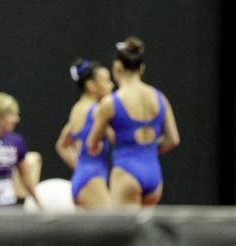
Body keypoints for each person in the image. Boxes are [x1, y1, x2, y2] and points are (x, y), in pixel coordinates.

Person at [87, 37, 180, 207]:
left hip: (126, 171)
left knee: (123, 233)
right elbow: (173, 140)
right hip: (153, 172)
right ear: (142, 68)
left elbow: (92, 144)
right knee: (145, 232)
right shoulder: (160, 98)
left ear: (117, 68)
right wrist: (146, 149)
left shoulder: (110, 103)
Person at [55, 58, 114, 207]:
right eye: (107, 81)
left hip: (83, 175)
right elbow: (118, 139)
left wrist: (81, 166)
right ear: (91, 85)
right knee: (110, 226)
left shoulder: (76, 110)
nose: (111, 86)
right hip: (93, 177)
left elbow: (62, 145)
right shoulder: (98, 111)